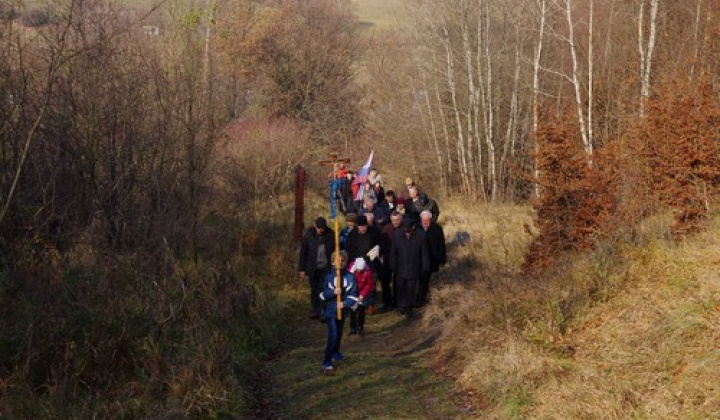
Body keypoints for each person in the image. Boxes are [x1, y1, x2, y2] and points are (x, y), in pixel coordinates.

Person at [319, 251, 358, 373]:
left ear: (346, 262)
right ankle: (327, 361)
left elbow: (353, 295)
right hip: (331, 311)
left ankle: (335, 352)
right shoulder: (328, 277)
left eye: (343, 261)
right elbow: (322, 295)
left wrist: (345, 303)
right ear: (332, 262)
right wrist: (333, 292)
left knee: (339, 333)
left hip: (343, 311)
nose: (340, 263)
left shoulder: (350, 277)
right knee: (333, 334)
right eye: (337, 261)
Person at [390, 217, 429, 318]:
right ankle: (401, 307)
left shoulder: (421, 235)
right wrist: (392, 266)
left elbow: (424, 253)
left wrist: (425, 268)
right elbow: (393, 252)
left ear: (413, 227)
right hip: (400, 267)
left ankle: (409, 309)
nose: (406, 231)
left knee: (411, 289)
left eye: (408, 229)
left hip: (414, 266)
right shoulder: (397, 235)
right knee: (400, 288)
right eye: (404, 229)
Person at [299, 217, 335, 320]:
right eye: (318, 228)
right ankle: (315, 310)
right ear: (315, 226)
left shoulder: (330, 235)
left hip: (326, 267)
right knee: (314, 289)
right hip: (313, 267)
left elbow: (336, 249)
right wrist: (302, 269)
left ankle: (323, 310)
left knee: (324, 289)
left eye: (322, 228)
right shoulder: (308, 235)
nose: (320, 230)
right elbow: (303, 253)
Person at [418, 210, 447, 306]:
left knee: (426, 279)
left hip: (432, 258)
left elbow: (441, 244)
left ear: (431, 220)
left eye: (427, 220)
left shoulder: (437, 228)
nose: (425, 222)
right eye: (423, 220)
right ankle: (419, 297)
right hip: (419, 259)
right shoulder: (417, 228)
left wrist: (442, 257)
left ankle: (423, 298)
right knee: (419, 279)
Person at [378, 211, 403, 312]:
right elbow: (382, 243)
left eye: (397, 220)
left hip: (400, 259)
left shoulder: (404, 229)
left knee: (398, 282)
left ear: (401, 219)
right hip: (387, 258)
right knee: (385, 281)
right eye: (393, 220)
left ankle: (398, 302)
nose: (395, 222)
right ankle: (387, 302)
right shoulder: (386, 229)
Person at [348, 257, 375, 336]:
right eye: (358, 270)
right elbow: (348, 282)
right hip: (352, 291)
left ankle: (360, 327)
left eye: (361, 270)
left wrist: (362, 294)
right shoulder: (350, 270)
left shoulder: (367, 271)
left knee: (361, 310)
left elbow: (369, 284)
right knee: (352, 310)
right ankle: (352, 328)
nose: (359, 271)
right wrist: (352, 293)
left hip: (362, 292)